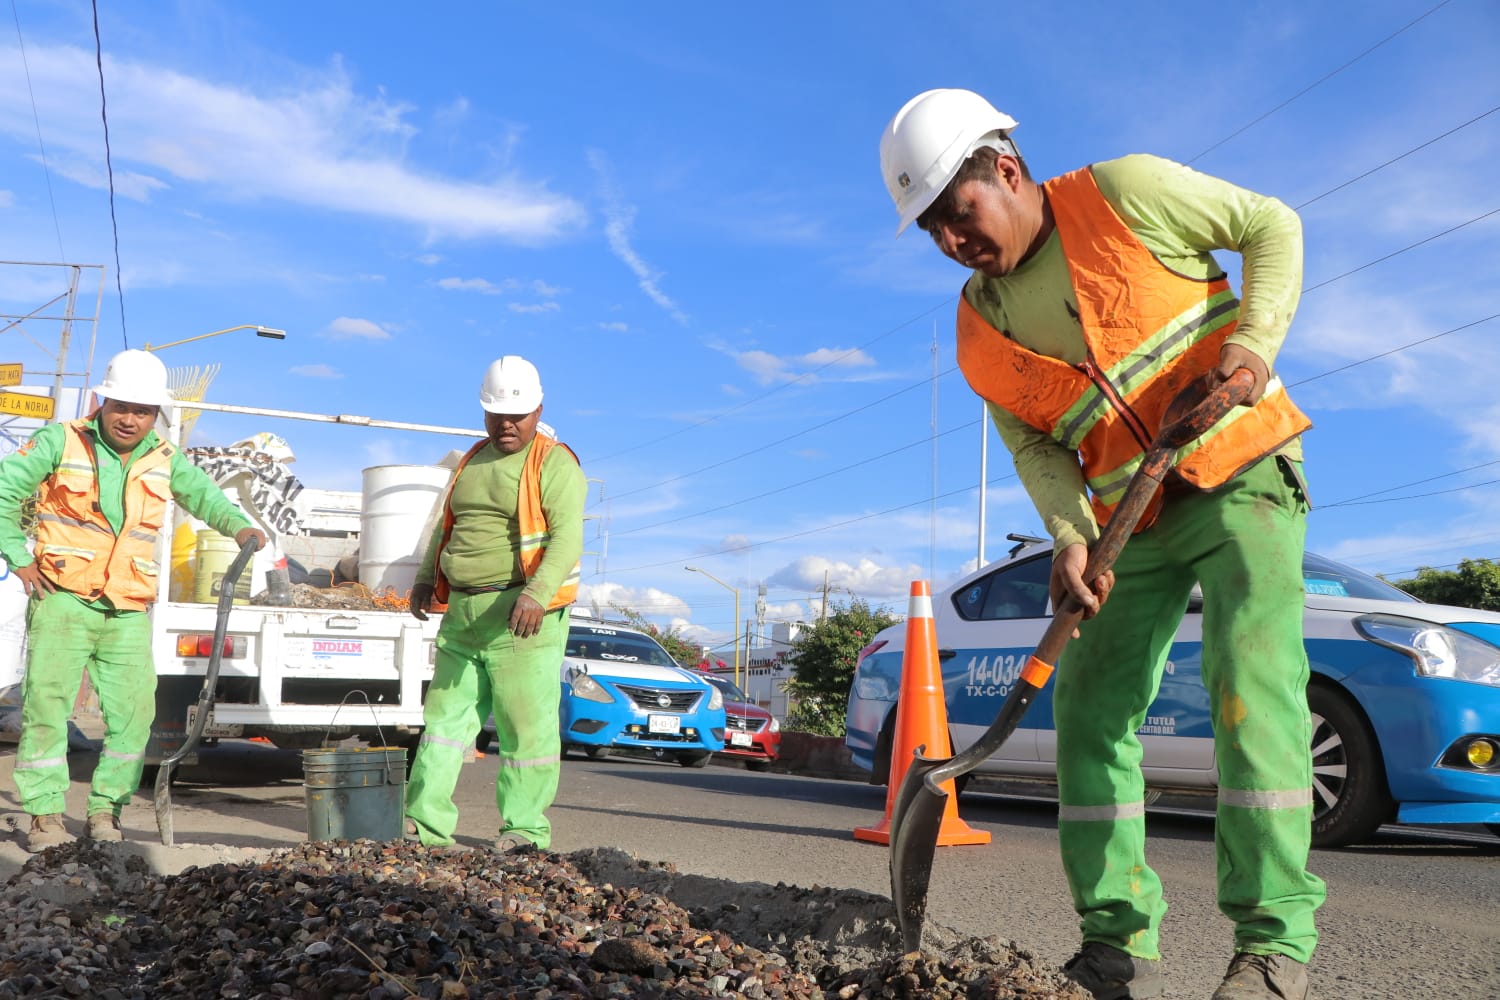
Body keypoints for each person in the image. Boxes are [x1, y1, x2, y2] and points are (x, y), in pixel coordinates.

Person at [879, 89, 1323, 1000]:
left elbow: (1271, 224)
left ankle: (1273, 945)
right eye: (931, 232)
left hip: (1238, 467)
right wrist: (1074, 538)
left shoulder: (1128, 191)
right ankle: (1115, 947)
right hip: (1133, 517)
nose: (953, 244)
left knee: (1249, 678)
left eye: (957, 215)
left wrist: (1252, 348)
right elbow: (1035, 445)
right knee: (1088, 713)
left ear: (1005, 170)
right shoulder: (979, 324)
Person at [0, 349, 265, 852]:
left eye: (142, 411)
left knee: (134, 716)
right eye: (121, 405)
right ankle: (45, 817)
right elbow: (3, 489)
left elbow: (206, 497)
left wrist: (239, 526)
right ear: (102, 399)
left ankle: (106, 812)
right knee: (47, 709)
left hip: (127, 607)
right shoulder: (61, 440)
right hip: (63, 598)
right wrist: (17, 555)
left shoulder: (165, 458)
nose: (130, 418)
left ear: (156, 416)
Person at [404, 355, 585, 853]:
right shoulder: (471, 460)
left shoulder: (554, 462)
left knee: (525, 729)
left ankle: (523, 833)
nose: (507, 424)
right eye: (496, 414)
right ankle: (426, 829)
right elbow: (447, 526)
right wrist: (425, 580)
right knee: (443, 725)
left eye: (518, 415)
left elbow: (567, 538)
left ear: (538, 409)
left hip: (522, 618)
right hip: (463, 615)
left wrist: (535, 594)